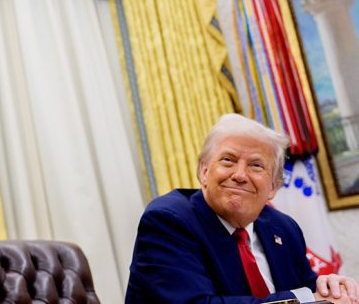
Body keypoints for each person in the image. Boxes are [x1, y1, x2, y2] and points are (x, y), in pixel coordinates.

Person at [126, 114, 359, 303]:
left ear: (273, 187)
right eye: (228, 160)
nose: (239, 175)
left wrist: (330, 289)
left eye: (256, 165)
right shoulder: (168, 221)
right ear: (204, 172)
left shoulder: (284, 228)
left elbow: (309, 289)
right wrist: (305, 300)